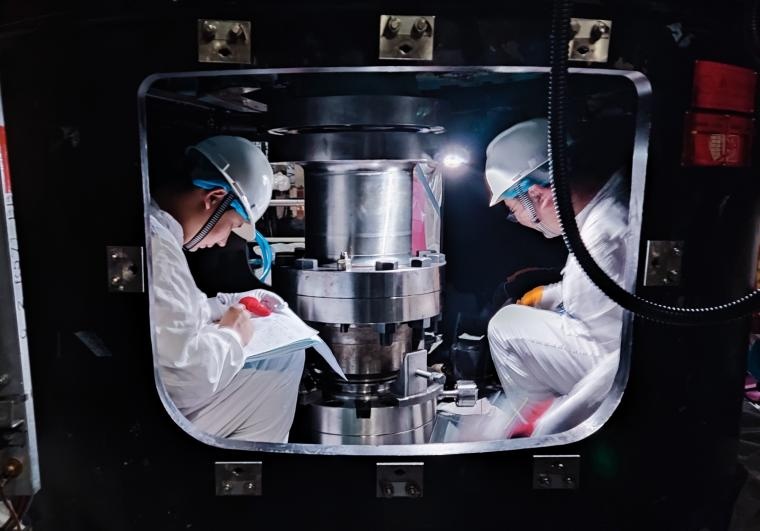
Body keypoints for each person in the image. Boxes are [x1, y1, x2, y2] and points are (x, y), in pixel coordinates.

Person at [150, 135, 305, 443]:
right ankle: (249, 467)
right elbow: (186, 378)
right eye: (232, 225)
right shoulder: (160, 250)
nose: (223, 241)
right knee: (284, 363)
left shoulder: (156, 231)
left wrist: (228, 304)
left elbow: (165, 317)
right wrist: (233, 335)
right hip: (155, 415)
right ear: (214, 198)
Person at [484, 117, 630, 437]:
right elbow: (610, 291)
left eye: (514, 210)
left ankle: (529, 429)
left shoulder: (600, 238)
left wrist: (550, 424)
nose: (520, 220)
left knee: (506, 327)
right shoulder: (611, 203)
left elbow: (623, 361)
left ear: (537, 196)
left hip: (618, 384)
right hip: (607, 351)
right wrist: (549, 296)